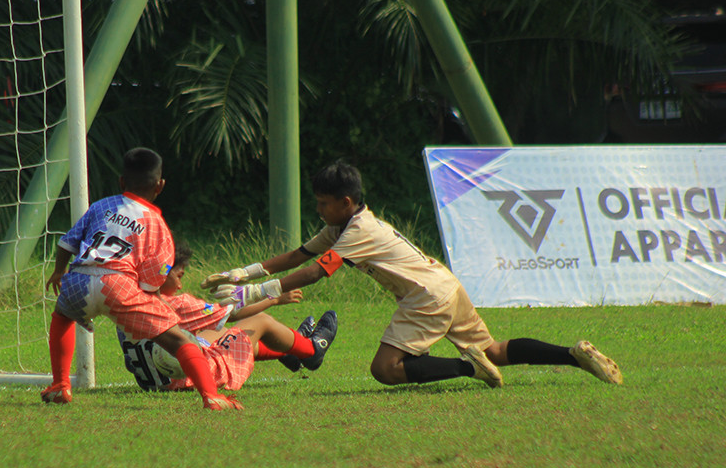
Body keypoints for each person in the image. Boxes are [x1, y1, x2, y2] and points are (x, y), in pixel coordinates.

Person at [201, 161, 622, 389]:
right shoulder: (344, 224)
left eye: (323, 203)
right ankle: (573, 355)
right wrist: (241, 273)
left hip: (426, 296)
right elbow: (298, 254)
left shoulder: (358, 232)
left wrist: (253, 292)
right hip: (444, 283)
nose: (319, 209)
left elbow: (315, 272)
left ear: (345, 202)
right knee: (493, 349)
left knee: (385, 369)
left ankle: (467, 370)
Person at [41, 147, 242, 411]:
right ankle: (211, 395)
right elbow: (156, 275)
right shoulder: (156, 224)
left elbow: (68, 241)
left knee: (62, 317)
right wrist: (145, 295)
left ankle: (60, 385)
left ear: (122, 182)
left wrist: (59, 271)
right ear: (160, 186)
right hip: (118, 283)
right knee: (178, 339)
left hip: (79, 278)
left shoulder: (101, 206)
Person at [118, 241, 338, 392]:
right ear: (161, 272)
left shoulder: (126, 303)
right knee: (260, 321)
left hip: (153, 382)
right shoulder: (178, 303)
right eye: (178, 276)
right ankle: (311, 351)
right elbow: (231, 313)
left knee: (218, 332)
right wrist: (274, 299)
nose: (180, 284)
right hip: (192, 378)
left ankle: (287, 351)